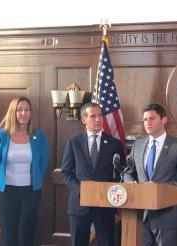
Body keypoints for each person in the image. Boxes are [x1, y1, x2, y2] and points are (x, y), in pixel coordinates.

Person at [123, 103, 177, 246]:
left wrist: (160, 187)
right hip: (140, 216)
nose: (147, 123)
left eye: (152, 118)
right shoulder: (138, 145)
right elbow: (127, 171)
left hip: (168, 218)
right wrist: (130, 181)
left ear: (164, 120)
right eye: (145, 120)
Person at [0, 96, 49, 246]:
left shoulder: (39, 136)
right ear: (12, 113)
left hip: (31, 192)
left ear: (31, 113)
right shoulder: (0, 135)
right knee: (9, 233)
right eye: (19, 110)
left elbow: (43, 163)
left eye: (27, 109)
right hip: (6, 192)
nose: (23, 113)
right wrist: (0, 179)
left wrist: (35, 180)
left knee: (26, 232)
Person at [61, 102, 124, 246]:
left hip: (105, 205)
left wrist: (111, 191)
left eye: (100, 115)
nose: (98, 119)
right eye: (93, 116)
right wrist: (81, 190)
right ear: (84, 120)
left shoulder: (114, 144)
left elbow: (121, 172)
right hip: (79, 204)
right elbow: (65, 172)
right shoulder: (73, 143)